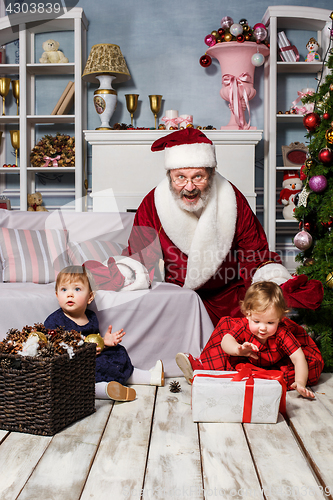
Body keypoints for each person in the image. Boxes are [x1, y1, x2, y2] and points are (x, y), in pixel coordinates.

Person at [122, 127, 306, 327]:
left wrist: (273, 282)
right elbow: (139, 255)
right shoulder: (153, 203)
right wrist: (123, 277)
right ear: (170, 177)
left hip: (228, 294)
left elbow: (254, 253)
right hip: (178, 295)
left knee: (255, 329)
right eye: (181, 177)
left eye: (198, 177)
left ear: (211, 174)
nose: (189, 187)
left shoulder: (232, 199)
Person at [176, 281, 324, 398]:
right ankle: (200, 368)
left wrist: (300, 382)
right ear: (247, 314)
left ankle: (269, 381)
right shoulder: (244, 325)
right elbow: (226, 340)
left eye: (270, 322)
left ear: (280, 318)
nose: (263, 328)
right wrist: (237, 349)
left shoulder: (282, 333)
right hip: (245, 361)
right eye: (257, 321)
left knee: (301, 369)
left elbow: (298, 358)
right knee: (223, 357)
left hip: (274, 365)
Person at [44, 265, 164, 402]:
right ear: (57, 295)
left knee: (117, 352)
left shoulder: (91, 317)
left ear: (90, 297)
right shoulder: (55, 321)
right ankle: (106, 391)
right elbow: (53, 349)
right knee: (84, 376)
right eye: (64, 289)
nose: (69, 294)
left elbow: (95, 341)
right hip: (74, 364)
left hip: (92, 358)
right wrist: (83, 351)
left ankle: (150, 377)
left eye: (77, 289)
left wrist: (105, 342)